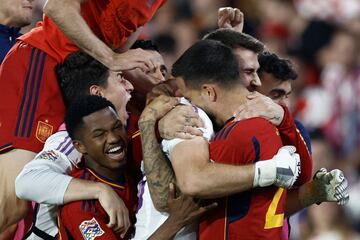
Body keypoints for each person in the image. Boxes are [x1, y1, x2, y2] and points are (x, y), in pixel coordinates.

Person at [138, 39, 349, 239]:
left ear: (209, 92)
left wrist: (304, 189)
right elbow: (194, 182)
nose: (254, 81)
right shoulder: (196, 116)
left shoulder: (250, 130)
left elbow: (258, 203)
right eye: (249, 73)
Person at [0, 0, 166, 231]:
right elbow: (56, 7)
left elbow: (119, 41)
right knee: (14, 204)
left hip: (84, 75)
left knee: (32, 206)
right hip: (45, 57)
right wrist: (111, 59)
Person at [15, 50, 201, 238]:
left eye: (115, 128)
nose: (130, 86)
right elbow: (25, 182)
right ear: (98, 93)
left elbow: (144, 134)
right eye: (121, 78)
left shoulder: (122, 142)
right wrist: (101, 190)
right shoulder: (66, 142)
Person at [59, 95, 216, 240]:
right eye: (99, 135)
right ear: (80, 147)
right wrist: (175, 221)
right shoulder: (79, 207)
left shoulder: (130, 150)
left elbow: (153, 127)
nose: (114, 138)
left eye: (116, 127)